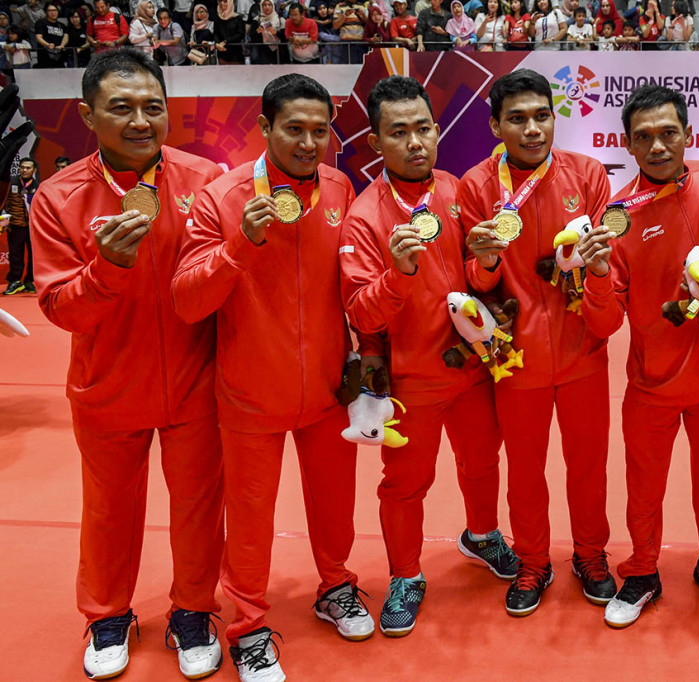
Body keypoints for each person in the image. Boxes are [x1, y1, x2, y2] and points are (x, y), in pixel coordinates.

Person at [30, 49, 225, 681]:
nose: (140, 120)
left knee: (199, 504)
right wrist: (106, 270)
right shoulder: (59, 197)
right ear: (88, 115)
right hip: (107, 382)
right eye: (121, 107)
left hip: (196, 377)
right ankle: (108, 614)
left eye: (153, 107)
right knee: (109, 510)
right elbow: (61, 309)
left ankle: (193, 610)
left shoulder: (206, 179)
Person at [172, 73, 371, 682]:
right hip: (250, 391)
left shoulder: (340, 187)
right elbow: (186, 299)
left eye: (320, 130)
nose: (310, 142)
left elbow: (355, 286)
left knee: (336, 509)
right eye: (294, 129)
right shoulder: (222, 196)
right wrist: (241, 244)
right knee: (251, 519)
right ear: (264, 128)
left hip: (328, 392)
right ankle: (249, 626)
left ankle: (336, 586)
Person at [339, 75, 519, 637]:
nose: (415, 141)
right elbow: (363, 314)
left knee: (483, 463)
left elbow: (476, 276)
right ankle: (405, 576)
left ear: (438, 130)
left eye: (423, 128)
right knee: (404, 486)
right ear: (376, 143)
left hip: (472, 367)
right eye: (399, 132)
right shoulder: (365, 217)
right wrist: (400, 274)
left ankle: (483, 536)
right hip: (412, 380)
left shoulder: (457, 189)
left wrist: (487, 263)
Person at [578, 84, 699, 629]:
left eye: (668, 133)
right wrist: (599, 274)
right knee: (643, 487)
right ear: (627, 145)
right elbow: (605, 322)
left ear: (689, 135)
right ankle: (643, 570)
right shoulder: (617, 218)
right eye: (644, 137)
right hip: (652, 382)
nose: (657, 146)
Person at [457, 69, 614, 617]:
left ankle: (591, 555)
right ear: (496, 124)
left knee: (588, 465)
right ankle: (532, 562)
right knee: (524, 473)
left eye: (541, 116)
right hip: (514, 359)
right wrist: (484, 261)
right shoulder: (475, 185)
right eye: (517, 119)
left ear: (555, 117)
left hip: (582, 352)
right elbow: (475, 287)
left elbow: (602, 268)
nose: (531, 130)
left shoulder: (589, 174)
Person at [4, 156, 37, 295]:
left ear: (34, 170)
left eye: (28, 168)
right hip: (15, 225)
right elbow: (5, 202)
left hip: (33, 227)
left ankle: (30, 281)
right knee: (15, 254)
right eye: (22, 167)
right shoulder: (11, 183)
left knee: (34, 256)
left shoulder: (38, 186)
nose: (24, 170)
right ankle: (15, 281)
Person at [248, 0, 287, 64]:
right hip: (262, 53)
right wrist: (258, 32)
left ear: (273, 6)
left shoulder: (280, 20)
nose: (267, 7)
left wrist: (276, 33)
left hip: (278, 53)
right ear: (261, 7)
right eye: (264, 5)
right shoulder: (257, 20)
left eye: (269, 5)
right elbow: (252, 38)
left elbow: (285, 38)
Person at [33, 2, 68, 68]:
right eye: (50, 11)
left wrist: (62, 45)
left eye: (55, 10)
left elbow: (66, 36)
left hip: (59, 56)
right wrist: (47, 44)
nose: (53, 13)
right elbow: (38, 37)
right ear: (46, 12)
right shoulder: (41, 23)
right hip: (45, 56)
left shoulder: (61, 25)